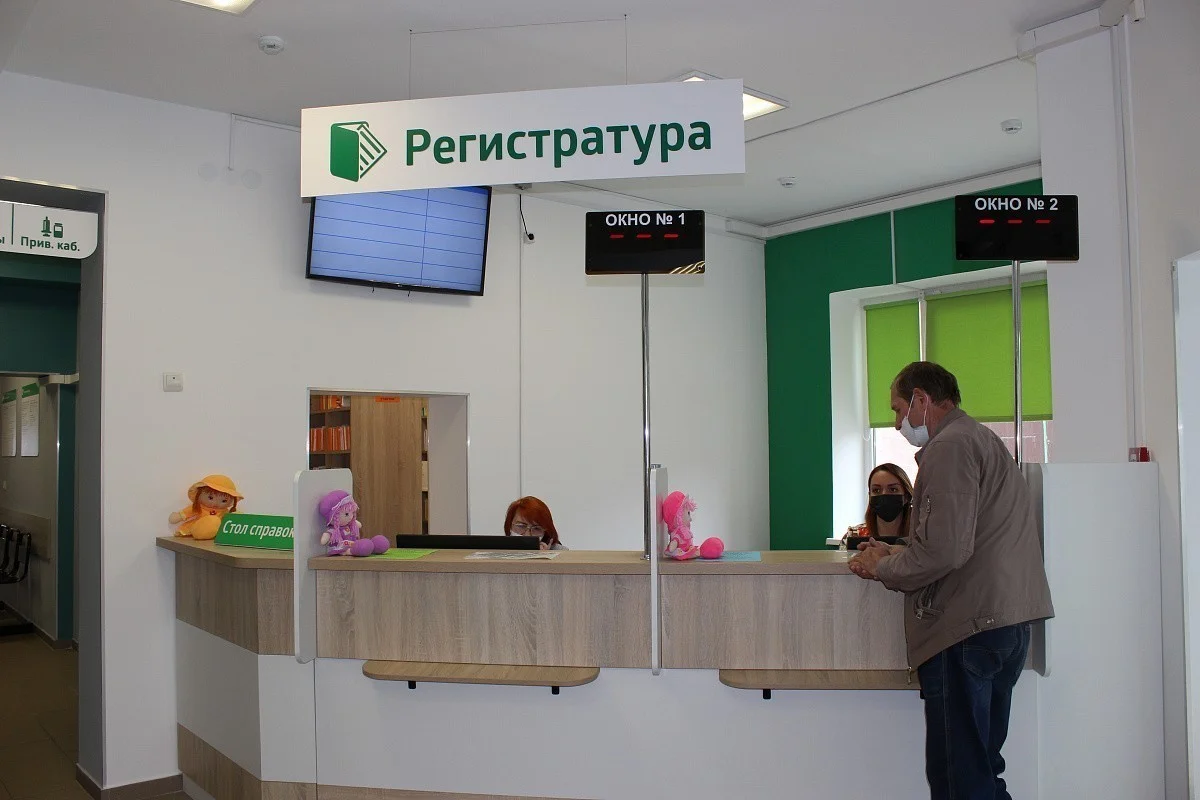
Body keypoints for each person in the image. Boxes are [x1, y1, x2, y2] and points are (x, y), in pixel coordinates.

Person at [849, 361, 1053, 800]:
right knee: (981, 770)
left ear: (922, 400)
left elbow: (945, 550)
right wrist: (898, 552)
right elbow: (965, 538)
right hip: (1001, 623)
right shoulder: (981, 439)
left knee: (960, 779)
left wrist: (882, 567)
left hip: (966, 629)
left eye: (898, 409)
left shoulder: (949, 447)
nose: (896, 423)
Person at [842, 463, 914, 548]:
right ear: (870, 496)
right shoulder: (853, 535)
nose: (884, 494)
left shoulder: (919, 536)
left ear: (906, 497)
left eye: (893, 489)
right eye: (876, 490)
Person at [503, 496, 567, 550]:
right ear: (510, 525)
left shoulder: (560, 551)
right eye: (521, 526)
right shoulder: (499, 550)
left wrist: (544, 558)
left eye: (536, 528)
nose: (528, 535)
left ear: (545, 532)